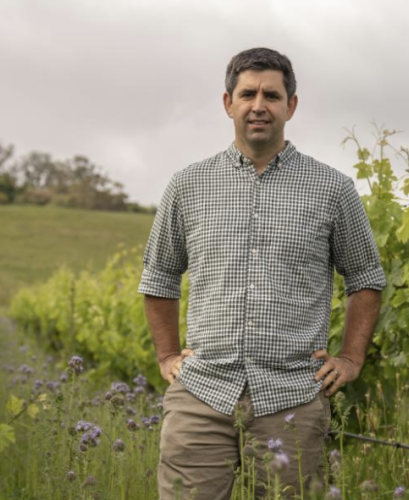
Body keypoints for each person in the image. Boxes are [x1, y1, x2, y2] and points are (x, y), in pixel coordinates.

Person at [138, 47, 385, 500]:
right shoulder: (188, 185)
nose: (258, 106)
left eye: (271, 95)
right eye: (247, 93)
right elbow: (159, 277)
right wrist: (166, 355)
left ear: (291, 105)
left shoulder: (333, 189)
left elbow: (366, 277)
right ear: (227, 102)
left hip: (293, 398)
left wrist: (351, 359)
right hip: (201, 392)